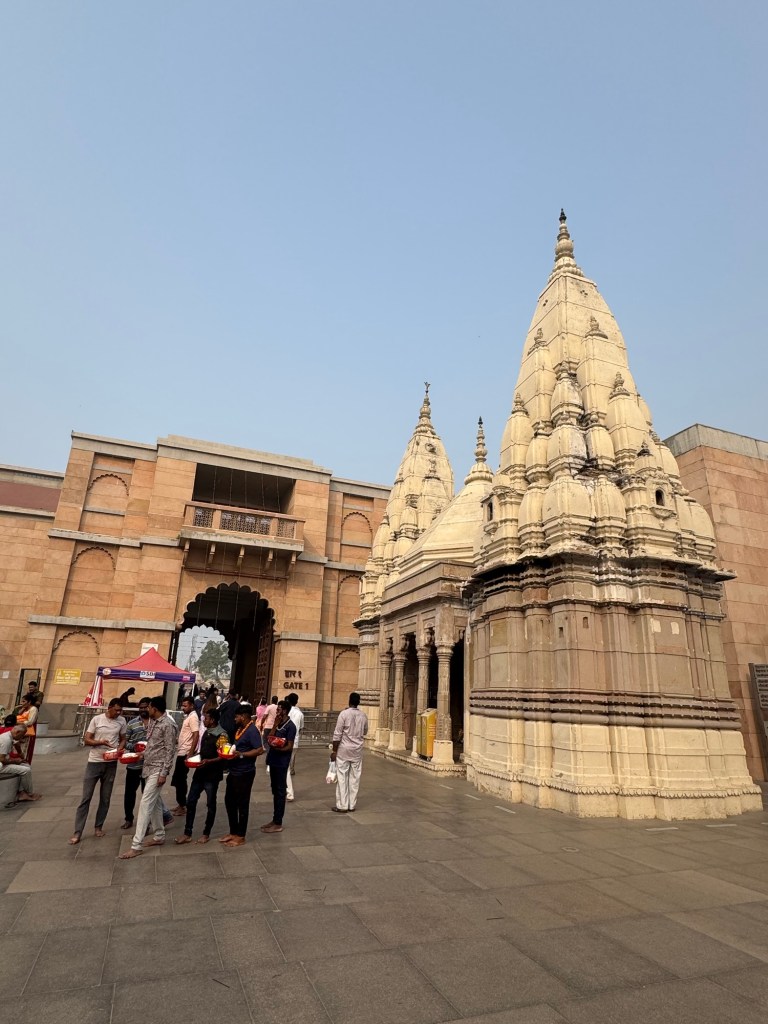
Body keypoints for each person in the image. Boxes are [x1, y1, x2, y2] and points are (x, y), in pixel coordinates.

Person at [119, 695, 177, 859]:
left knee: (145, 804)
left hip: (158, 769)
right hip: (148, 766)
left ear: (155, 709)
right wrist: (142, 754)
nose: (147, 709)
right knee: (156, 803)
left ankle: (136, 845)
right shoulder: (154, 722)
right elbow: (154, 745)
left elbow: (170, 750)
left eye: (149, 707)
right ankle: (159, 835)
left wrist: (164, 773)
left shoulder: (168, 725)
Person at [70, 698, 127, 844]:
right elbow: (87, 739)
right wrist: (100, 742)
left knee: (105, 797)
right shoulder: (97, 719)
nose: (118, 713)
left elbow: (123, 738)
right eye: (116, 710)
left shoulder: (121, 721)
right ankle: (78, 831)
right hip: (95, 761)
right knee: (86, 797)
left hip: (111, 763)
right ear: (109, 708)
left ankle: (98, 826)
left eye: (120, 710)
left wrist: (119, 748)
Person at [175, 707, 227, 845]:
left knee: (210, 804)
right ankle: (187, 832)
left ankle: (206, 833)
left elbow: (222, 756)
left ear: (213, 720)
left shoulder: (221, 735)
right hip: (200, 772)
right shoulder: (207, 732)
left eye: (206, 718)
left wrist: (208, 761)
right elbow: (203, 751)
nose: (204, 720)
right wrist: (193, 757)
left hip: (212, 775)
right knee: (191, 801)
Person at [220, 703, 263, 847]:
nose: (235, 719)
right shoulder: (240, 729)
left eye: (237, 716)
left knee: (242, 804)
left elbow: (259, 750)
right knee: (229, 801)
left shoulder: (252, 731)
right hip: (234, 771)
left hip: (245, 772)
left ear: (243, 717)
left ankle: (241, 835)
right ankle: (233, 831)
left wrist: (242, 755)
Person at [261, 700, 296, 834]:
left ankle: (278, 822)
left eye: (279, 709)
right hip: (273, 760)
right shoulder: (278, 723)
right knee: (275, 790)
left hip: (282, 761)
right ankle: (275, 819)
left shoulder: (290, 726)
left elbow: (289, 746)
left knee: (280, 791)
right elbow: (270, 738)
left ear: (285, 710)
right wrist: (275, 725)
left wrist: (279, 748)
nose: (277, 712)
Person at [331, 692, 369, 814]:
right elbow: (365, 731)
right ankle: (352, 804)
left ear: (349, 701)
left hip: (344, 750)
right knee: (355, 779)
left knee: (342, 777)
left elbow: (337, 734)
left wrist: (334, 751)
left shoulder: (344, 714)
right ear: (359, 702)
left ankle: (342, 805)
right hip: (357, 751)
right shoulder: (363, 715)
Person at [171, 696, 200, 815]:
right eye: (182, 705)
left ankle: (182, 806)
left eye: (185, 705)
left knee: (180, 779)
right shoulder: (188, 716)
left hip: (186, 752)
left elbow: (196, 734)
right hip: (181, 751)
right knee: (178, 779)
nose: (183, 708)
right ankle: (180, 803)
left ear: (192, 706)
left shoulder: (193, 717)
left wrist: (190, 753)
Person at [0, 724, 42, 802]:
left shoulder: (10, 735)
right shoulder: (6, 740)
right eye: (22, 735)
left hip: (3, 762)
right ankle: (29, 793)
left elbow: (17, 744)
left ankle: (22, 792)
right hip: (1, 765)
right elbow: (1, 759)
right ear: (17, 732)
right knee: (26, 770)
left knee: (26, 766)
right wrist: (15, 761)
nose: (22, 737)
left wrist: (20, 755)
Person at [285, 692, 304, 802]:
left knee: (285, 768)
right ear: (296, 701)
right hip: (295, 742)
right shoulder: (300, 714)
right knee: (288, 765)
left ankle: (289, 793)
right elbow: (301, 728)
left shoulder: (286, 711)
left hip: (285, 742)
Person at [15, 694, 38, 763]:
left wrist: (18, 722)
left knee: (24, 749)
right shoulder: (25, 708)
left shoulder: (33, 709)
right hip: (20, 731)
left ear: (29, 702)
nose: (22, 703)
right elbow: (19, 714)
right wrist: (23, 708)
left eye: (24, 701)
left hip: (27, 731)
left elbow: (30, 722)